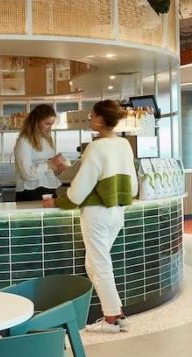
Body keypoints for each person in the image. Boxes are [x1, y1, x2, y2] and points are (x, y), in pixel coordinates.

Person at [58, 100, 137, 333]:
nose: (90, 119)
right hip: (117, 212)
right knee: (93, 263)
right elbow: (131, 186)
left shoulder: (95, 147)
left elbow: (80, 188)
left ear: (102, 119)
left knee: (99, 265)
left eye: (92, 116)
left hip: (96, 214)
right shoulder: (124, 144)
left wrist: (61, 201)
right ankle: (118, 314)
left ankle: (111, 318)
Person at [14, 104, 68, 202]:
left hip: (50, 189)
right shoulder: (24, 141)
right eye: (47, 124)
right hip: (30, 191)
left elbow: (49, 170)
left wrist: (58, 169)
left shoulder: (47, 140)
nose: (50, 128)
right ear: (36, 122)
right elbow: (26, 174)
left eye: (51, 124)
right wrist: (51, 164)